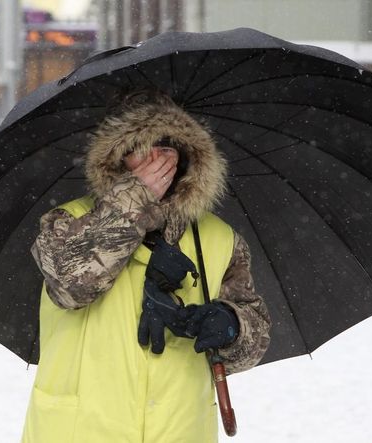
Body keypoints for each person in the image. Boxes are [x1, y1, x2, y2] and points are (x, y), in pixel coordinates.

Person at [23, 90, 271, 442]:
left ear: (187, 157)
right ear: (118, 157)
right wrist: (136, 199)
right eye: (143, 146)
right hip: (83, 430)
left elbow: (255, 334)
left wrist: (232, 325)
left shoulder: (219, 238)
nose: (157, 158)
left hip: (180, 430)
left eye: (167, 146)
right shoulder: (67, 221)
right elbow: (71, 285)